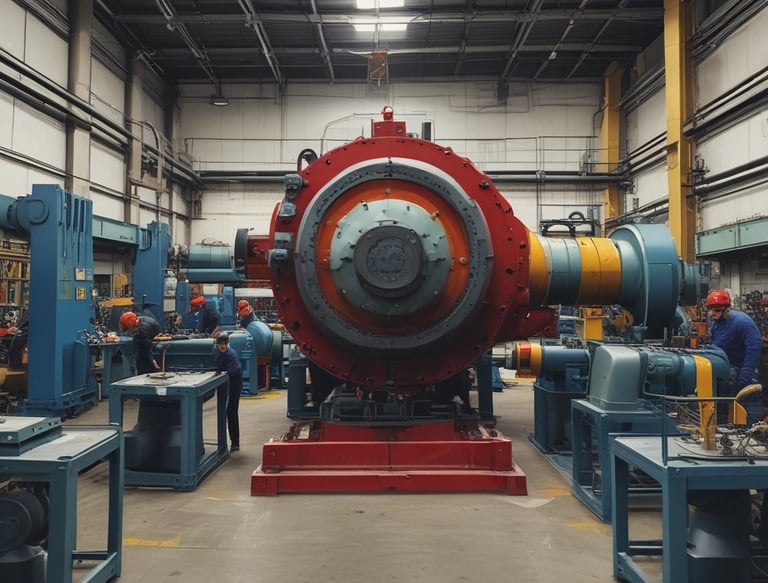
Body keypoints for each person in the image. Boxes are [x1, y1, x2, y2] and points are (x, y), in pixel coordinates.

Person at [706, 289, 762, 394]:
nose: (711, 314)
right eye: (710, 310)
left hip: (739, 371)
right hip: (724, 368)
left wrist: (744, 379)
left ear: (727, 310)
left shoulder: (742, 322)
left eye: (716, 311)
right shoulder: (715, 322)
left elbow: (753, 349)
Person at [215, 332, 242, 452]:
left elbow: (235, 369)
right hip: (228, 386)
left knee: (231, 412)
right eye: (220, 344)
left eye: (224, 344)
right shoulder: (221, 353)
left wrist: (224, 373)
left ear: (227, 344)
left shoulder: (231, 354)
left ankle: (235, 443)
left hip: (234, 387)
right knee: (228, 412)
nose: (222, 346)